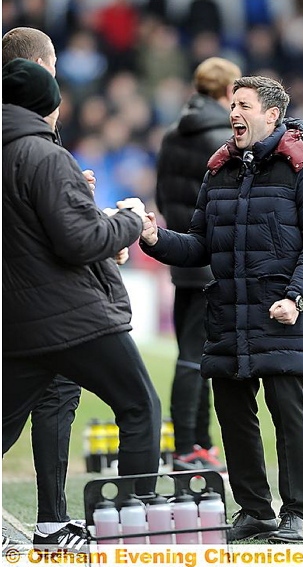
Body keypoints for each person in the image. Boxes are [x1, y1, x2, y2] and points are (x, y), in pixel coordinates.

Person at [140, 75, 303, 543]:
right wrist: (154, 238)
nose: (233, 113)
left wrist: (298, 296)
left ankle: (296, 511)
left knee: (287, 414)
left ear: (271, 116)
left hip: (280, 312)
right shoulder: (219, 171)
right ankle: (254, 510)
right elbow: (200, 245)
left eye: (243, 105)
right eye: (232, 105)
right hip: (228, 314)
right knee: (233, 416)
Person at [2, 58, 161, 549]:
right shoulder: (45, 155)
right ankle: (129, 532)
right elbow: (77, 239)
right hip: (72, 316)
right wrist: (129, 220)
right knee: (140, 406)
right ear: (50, 106)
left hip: (17, 321)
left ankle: (59, 525)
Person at [1, 26, 95, 549]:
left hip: (18, 294)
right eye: (55, 63)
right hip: (29, 296)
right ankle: (52, 523)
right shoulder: (30, 128)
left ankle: (52, 521)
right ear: (40, 64)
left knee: (47, 393)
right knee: (49, 393)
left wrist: (68, 191)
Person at [156, 57, 241, 472]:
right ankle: (187, 445)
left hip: (181, 254)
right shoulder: (223, 138)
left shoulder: (172, 134)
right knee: (195, 356)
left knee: (194, 353)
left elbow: (161, 195)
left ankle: (201, 443)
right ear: (228, 93)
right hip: (211, 259)